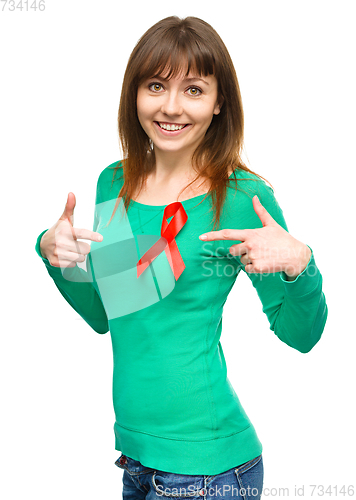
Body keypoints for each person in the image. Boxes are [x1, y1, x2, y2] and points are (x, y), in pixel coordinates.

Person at [35, 15, 328, 500]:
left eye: (194, 89)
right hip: (135, 459)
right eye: (156, 85)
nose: (171, 107)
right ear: (135, 95)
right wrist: (56, 256)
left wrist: (301, 263)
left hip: (209, 472)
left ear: (219, 104)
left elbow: (303, 337)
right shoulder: (115, 182)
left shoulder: (241, 197)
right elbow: (110, 315)